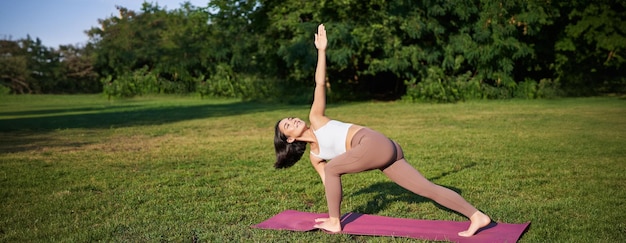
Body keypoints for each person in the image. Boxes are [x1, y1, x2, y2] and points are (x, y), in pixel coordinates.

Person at [273, 24, 491, 237]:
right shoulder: (315, 157)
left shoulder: (316, 119)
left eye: (290, 118)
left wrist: (322, 51)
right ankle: (476, 215)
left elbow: (319, 84)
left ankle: (334, 222)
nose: (293, 121)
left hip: (371, 143)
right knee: (426, 188)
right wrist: (333, 200)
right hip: (386, 152)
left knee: (333, 169)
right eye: (288, 125)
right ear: (290, 139)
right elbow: (330, 185)